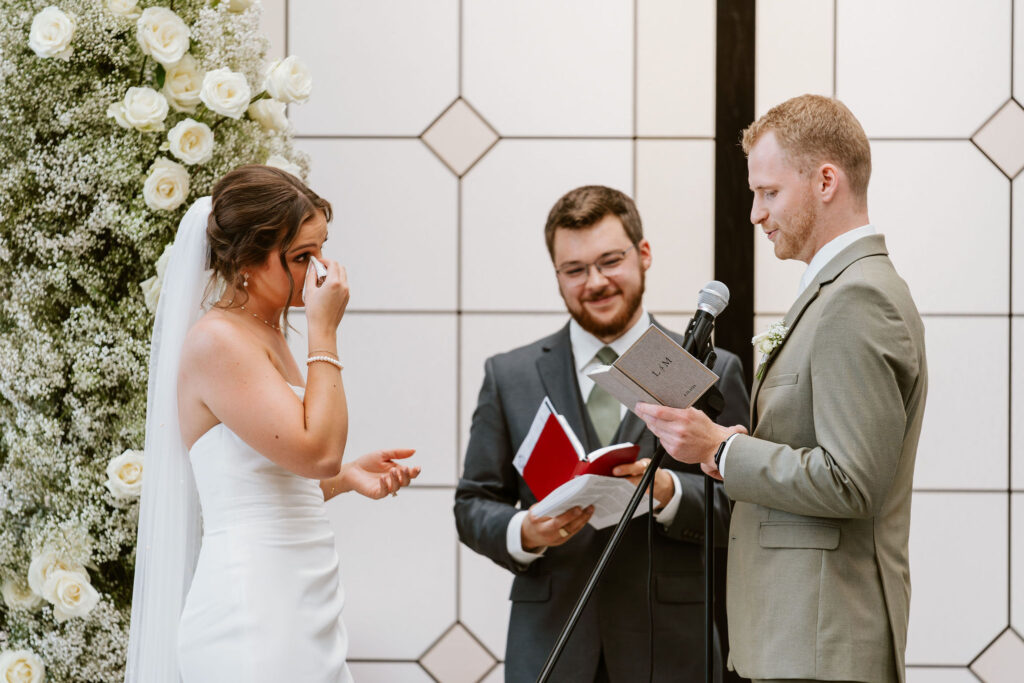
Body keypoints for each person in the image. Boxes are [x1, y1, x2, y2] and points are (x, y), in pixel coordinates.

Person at [635, 95, 927, 683]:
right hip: (796, 640)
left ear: (825, 181)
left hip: (824, 642)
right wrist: (742, 444)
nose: (755, 214)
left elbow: (851, 482)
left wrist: (721, 450)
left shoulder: (857, 299)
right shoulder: (836, 292)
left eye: (768, 193)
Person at [125, 165, 420, 683]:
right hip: (252, 605)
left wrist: (345, 477)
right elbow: (316, 451)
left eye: (321, 249)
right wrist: (324, 330)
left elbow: (268, 476)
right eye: (303, 257)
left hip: (303, 593)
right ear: (245, 261)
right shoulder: (218, 341)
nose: (322, 270)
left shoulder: (267, 330)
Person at [455, 185, 750, 682]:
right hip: (551, 642)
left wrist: (669, 492)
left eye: (610, 261)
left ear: (644, 255)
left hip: (673, 649)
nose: (595, 282)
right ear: (557, 275)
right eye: (574, 270)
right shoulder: (510, 375)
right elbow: (472, 504)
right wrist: (522, 532)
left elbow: (747, 508)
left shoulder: (714, 368)